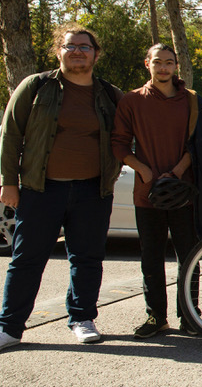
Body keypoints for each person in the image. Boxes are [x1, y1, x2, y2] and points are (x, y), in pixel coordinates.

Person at [0, 25, 123, 350]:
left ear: (96, 53)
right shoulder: (36, 87)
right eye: (71, 46)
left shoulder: (110, 94)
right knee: (26, 259)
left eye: (85, 46)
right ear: (59, 51)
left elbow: (132, 132)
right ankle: (10, 327)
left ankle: (82, 318)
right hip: (42, 190)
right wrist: (8, 182)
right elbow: (10, 135)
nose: (78, 51)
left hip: (93, 191)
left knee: (87, 258)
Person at [112, 43, 202, 339]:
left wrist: (177, 171)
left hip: (183, 192)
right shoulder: (131, 101)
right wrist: (143, 169)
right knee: (151, 257)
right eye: (158, 62)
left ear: (176, 66)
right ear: (147, 63)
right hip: (146, 193)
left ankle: (190, 316)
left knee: (189, 256)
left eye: (169, 63)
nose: (163, 68)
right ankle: (156, 317)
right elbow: (119, 144)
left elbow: (199, 145)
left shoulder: (191, 100)